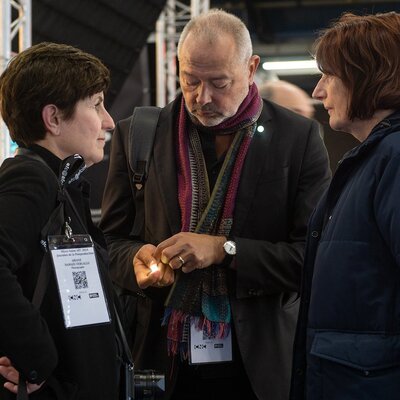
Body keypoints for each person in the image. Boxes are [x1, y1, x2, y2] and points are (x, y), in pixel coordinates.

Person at [100, 9, 330, 400]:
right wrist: (138, 261)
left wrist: (225, 250)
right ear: (177, 67)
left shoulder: (299, 138)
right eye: (191, 81)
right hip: (162, 356)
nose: (202, 98)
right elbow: (112, 242)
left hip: (258, 361)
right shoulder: (138, 135)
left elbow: (312, 259)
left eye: (219, 83)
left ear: (252, 66)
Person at [0, 42, 122, 399]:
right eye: (96, 105)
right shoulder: (31, 178)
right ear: (53, 118)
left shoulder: (62, 184)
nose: (109, 121)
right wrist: (37, 357)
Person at [290, 12, 400, 400]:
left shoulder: (393, 159)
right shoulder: (373, 160)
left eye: (329, 75)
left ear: (367, 75)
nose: (319, 92)